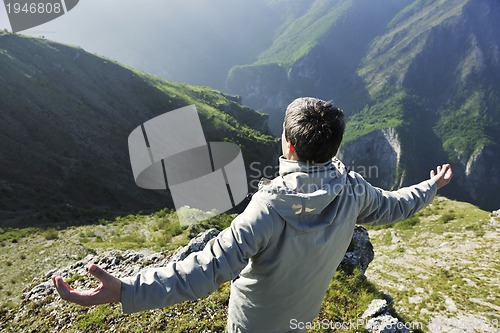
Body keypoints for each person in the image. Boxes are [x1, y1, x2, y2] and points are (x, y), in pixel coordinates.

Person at [52, 97, 453, 332]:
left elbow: (204, 270)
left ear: (289, 147)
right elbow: (397, 206)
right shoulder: (354, 190)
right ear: (334, 148)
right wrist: (430, 187)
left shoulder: (268, 208)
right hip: (301, 317)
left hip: (253, 324)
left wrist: (126, 290)